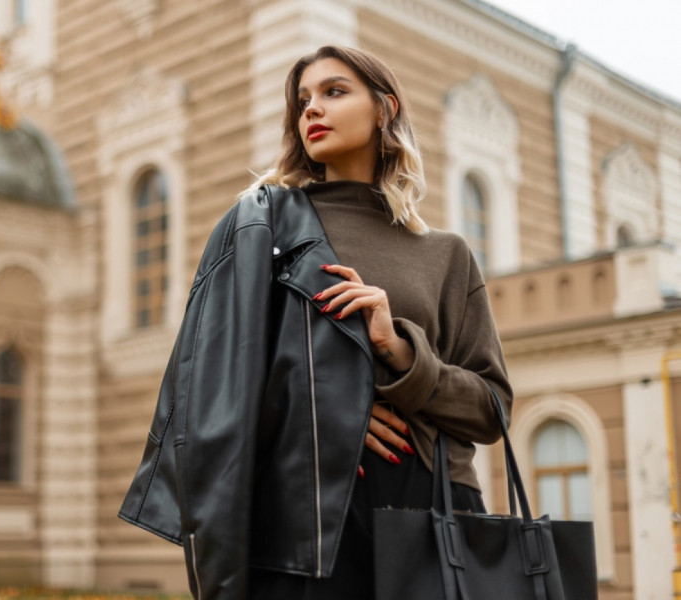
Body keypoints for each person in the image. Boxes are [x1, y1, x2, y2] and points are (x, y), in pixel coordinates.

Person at [119, 45, 512, 600]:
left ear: (385, 110)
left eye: (334, 92)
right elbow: (207, 385)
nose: (311, 110)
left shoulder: (445, 254)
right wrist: (328, 413)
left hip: (434, 510)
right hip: (303, 518)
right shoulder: (263, 230)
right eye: (303, 100)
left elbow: (493, 409)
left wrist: (401, 351)